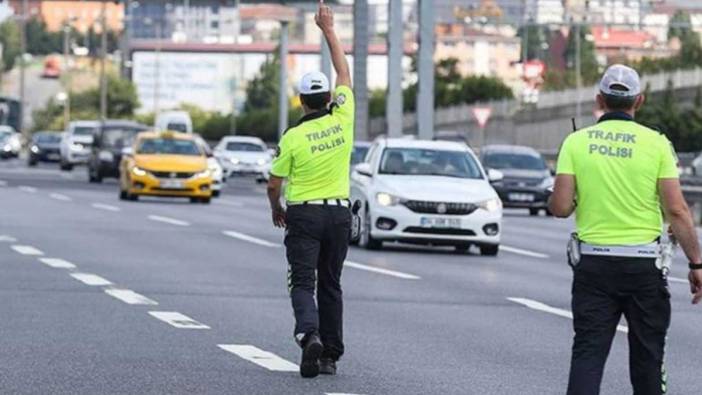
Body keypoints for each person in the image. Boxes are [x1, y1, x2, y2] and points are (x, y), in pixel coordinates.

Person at [549, 64, 702, 395]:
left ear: (600, 99)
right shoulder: (657, 143)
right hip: (643, 268)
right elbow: (676, 210)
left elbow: (560, 208)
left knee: (588, 355)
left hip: (594, 266)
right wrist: (696, 264)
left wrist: (577, 198)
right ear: (639, 101)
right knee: (648, 360)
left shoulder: (576, 142)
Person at [266, 0, 353, 379]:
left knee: (303, 281)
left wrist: (276, 208)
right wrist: (328, 30)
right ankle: (330, 355)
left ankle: (309, 334)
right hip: (338, 214)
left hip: (303, 214)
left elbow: (274, 183)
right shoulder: (344, 117)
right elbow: (344, 70)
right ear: (328, 98)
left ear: (301, 102)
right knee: (331, 283)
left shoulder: (294, 137)